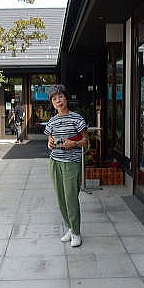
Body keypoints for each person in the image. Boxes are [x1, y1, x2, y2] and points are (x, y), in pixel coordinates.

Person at [44, 84, 88, 247]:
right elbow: (49, 139)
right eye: (54, 99)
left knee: (71, 198)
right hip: (55, 162)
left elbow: (86, 142)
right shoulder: (52, 121)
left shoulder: (77, 119)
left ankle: (76, 232)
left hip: (71, 163)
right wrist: (50, 142)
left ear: (66, 98)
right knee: (61, 198)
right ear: (52, 103)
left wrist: (73, 143)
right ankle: (69, 227)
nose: (58, 101)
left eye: (60, 97)